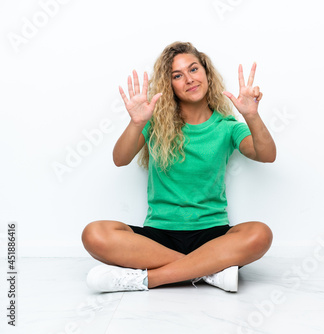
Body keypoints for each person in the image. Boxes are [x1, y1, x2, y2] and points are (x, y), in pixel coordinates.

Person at [81, 41, 276, 293]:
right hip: (158, 237)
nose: (189, 79)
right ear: (169, 84)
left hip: (213, 237)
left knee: (260, 234)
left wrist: (251, 115)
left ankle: (148, 279)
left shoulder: (227, 126)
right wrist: (137, 123)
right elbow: (120, 158)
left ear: (206, 73)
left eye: (193, 69)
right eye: (177, 75)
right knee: (94, 233)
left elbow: (267, 154)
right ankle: (209, 272)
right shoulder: (155, 124)